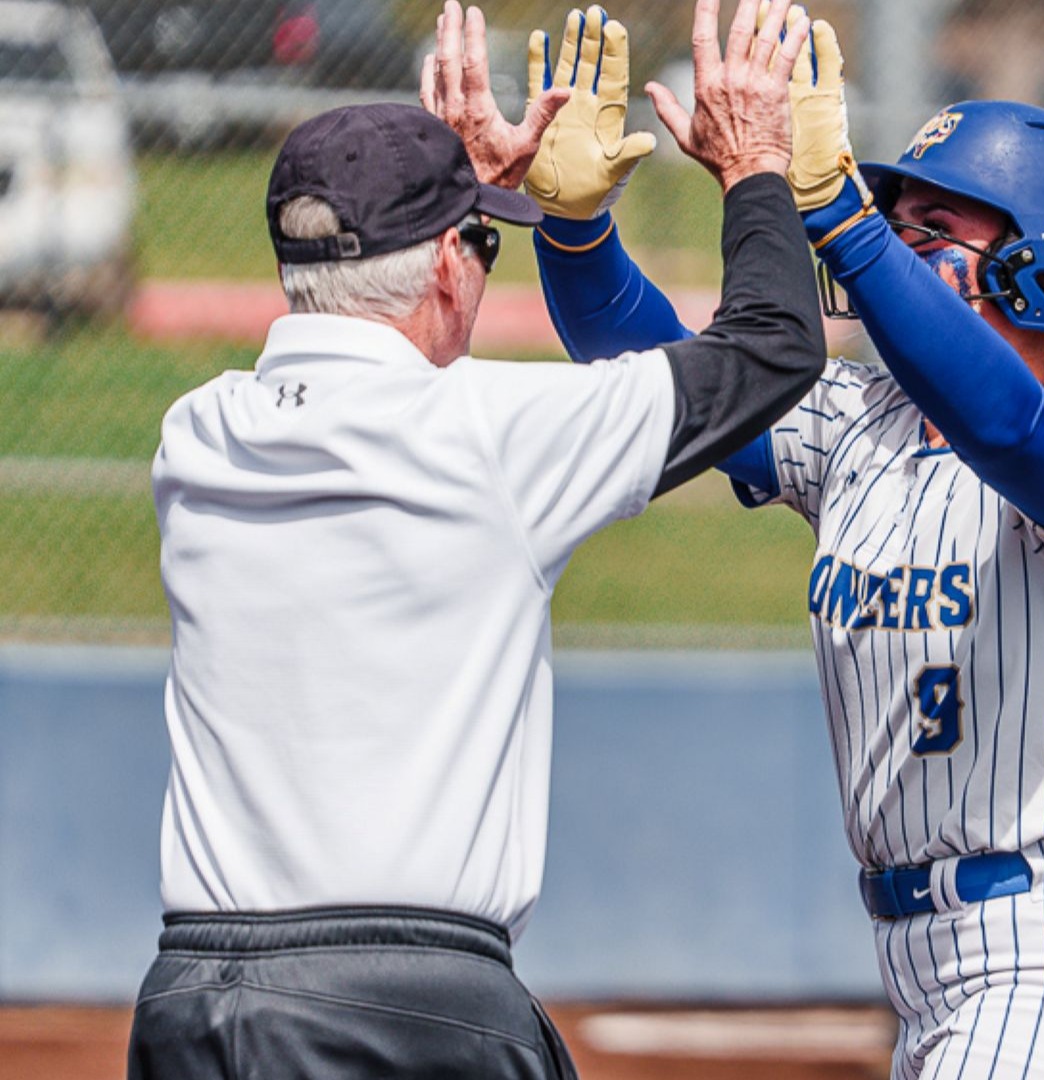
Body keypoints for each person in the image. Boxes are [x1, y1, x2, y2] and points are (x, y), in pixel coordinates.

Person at [450, 6, 1044, 1075]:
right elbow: (669, 380)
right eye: (895, 217)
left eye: (934, 225)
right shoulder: (862, 423)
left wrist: (844, 222)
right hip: (928, 965)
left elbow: (1006, 423)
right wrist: (579, 237)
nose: (896, 238)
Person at [127, 2, 822, 1075]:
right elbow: (774, 347)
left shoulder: (197, 433)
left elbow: (385, 322)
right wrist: (755, 164)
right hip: (410, 1006)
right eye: (481, 246)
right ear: (450, 266)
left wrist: (476, 200)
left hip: (190, 999)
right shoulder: (496, 433)